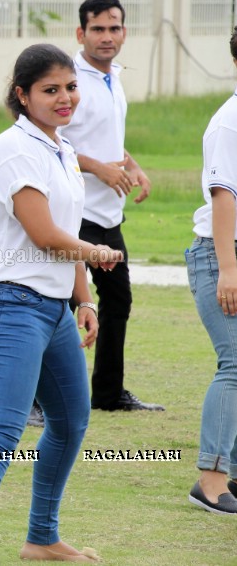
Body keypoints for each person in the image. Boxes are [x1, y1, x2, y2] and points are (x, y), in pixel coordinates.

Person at [0, 43, 123, 565]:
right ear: (23, 96)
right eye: (50, 90)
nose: (64, 98)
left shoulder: (61, 149)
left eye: (70, 87)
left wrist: (83, 296)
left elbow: (63, 231)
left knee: (72, 423)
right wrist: (96, 253)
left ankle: (41, 539)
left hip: (52, 309)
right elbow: (46, 234)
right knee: (0, 432)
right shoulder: (13, 148)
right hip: (8, 305)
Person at [59, 0, 162, 413]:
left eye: (114, 28)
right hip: (73, 212)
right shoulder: (69, 78)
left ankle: (108, 395)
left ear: (124, 32)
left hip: (108, 214)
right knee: (63, 307)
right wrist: (98, 169)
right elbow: (54, 140)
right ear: (81, 33)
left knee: (117, 301)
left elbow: (107, 137)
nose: (107, 36)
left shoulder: (111, 76)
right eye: (97, 29)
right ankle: (37, 401)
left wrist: (131, 164)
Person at [186, 26, 237, 515]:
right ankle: (210, 479)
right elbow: (225, 197)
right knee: (235, 364)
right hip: (221, 255)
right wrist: (228, 269)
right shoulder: (229, 122)